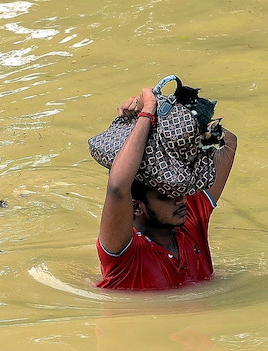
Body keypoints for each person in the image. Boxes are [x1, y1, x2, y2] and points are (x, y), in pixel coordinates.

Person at [96, 86, 237, 290]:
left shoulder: (191, 220)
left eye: (180, 190)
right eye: (165, 195)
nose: (180, 198)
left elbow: (229, 141)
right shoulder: (124, 253)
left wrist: (169, 114)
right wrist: (146, 115)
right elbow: (118, 187)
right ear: (136, 207)